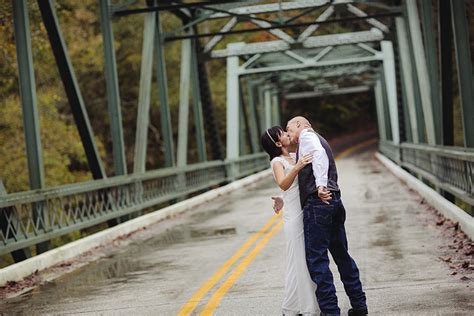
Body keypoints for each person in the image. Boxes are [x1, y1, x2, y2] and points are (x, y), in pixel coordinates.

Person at [285, 116, 368, 316]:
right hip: (335, 200)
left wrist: (320, 185)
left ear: (299, 125)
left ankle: (330, 312)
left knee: (317, 259)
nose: (289, 135)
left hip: (318, 202)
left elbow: (319, 155)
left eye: (289, 130)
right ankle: (359, 304)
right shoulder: (318, 138)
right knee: (341, 255)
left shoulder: (307, 137)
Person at [261, 126, 318, 316]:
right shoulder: (277, 161)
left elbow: (297, 186)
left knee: (301, 260)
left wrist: (281, 198)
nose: (287, 134)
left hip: (305, 211)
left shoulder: (295, 155)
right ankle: (307, 308)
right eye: (283, 134)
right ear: (278, 143)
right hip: (294, 217)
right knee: (299, 260)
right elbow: (283, 183)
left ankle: (292, 306)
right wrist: (298, 166)